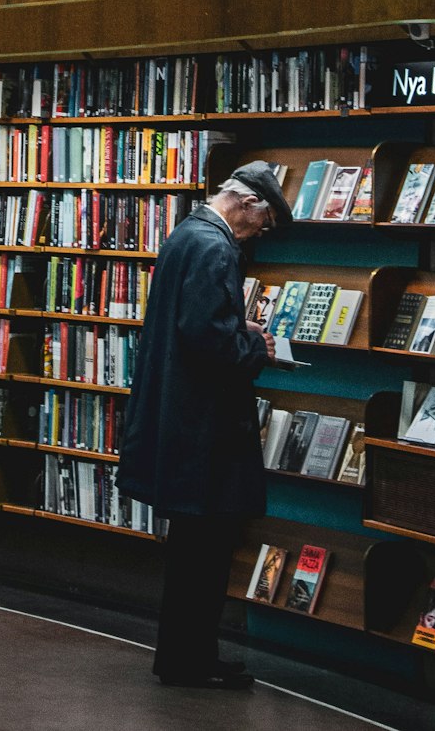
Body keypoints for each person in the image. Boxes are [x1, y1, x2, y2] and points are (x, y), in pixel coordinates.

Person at [116, 162, 293, 691]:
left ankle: (185, 655)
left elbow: (193, 322)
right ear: (246, 203)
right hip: (205, 431)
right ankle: (190, 661)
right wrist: (254, 347)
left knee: (192, 551)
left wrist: (234, 326)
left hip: (181, 420)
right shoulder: (218, 248)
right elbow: (209, 344)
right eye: (262, 222)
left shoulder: (186, 234)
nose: (260, 233)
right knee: (208, 552)